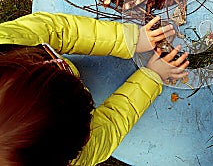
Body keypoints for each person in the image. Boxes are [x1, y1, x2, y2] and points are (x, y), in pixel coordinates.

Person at [0, 12, 189, 166]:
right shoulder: (63, 157)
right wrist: (151, 77)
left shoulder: (9, 40)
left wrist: (127, 40)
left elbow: (59, 30)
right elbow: (108, 127)